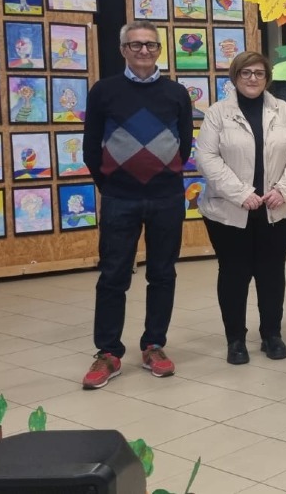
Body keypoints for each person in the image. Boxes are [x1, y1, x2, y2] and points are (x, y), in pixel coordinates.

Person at [81, 21, 193, 390]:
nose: (143, 51)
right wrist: (110, 185)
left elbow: (184, 146)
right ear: (123, 50)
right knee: (113, 275)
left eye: (150, 45)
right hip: (119, 199)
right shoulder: (104, 91)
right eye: (135, 45)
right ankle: (108, 352)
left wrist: (161, 179)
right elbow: (91, 145)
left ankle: (153, 345)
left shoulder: (176, 94)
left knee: (163, 274)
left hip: (166, 198)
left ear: (159, 49)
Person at [195, 52, 286, 365]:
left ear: (267, 78)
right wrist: (241, 193)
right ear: (235, 77)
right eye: (246, 73)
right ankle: (236, 340)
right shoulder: (218, 113)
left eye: (259, 73)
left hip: (277, 209)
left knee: (272, 274)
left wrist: (283, 190)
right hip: (228, 212)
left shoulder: (283, 111)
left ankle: (272, 335)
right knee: (234, 275)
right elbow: (207, 159)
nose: (253, 79)